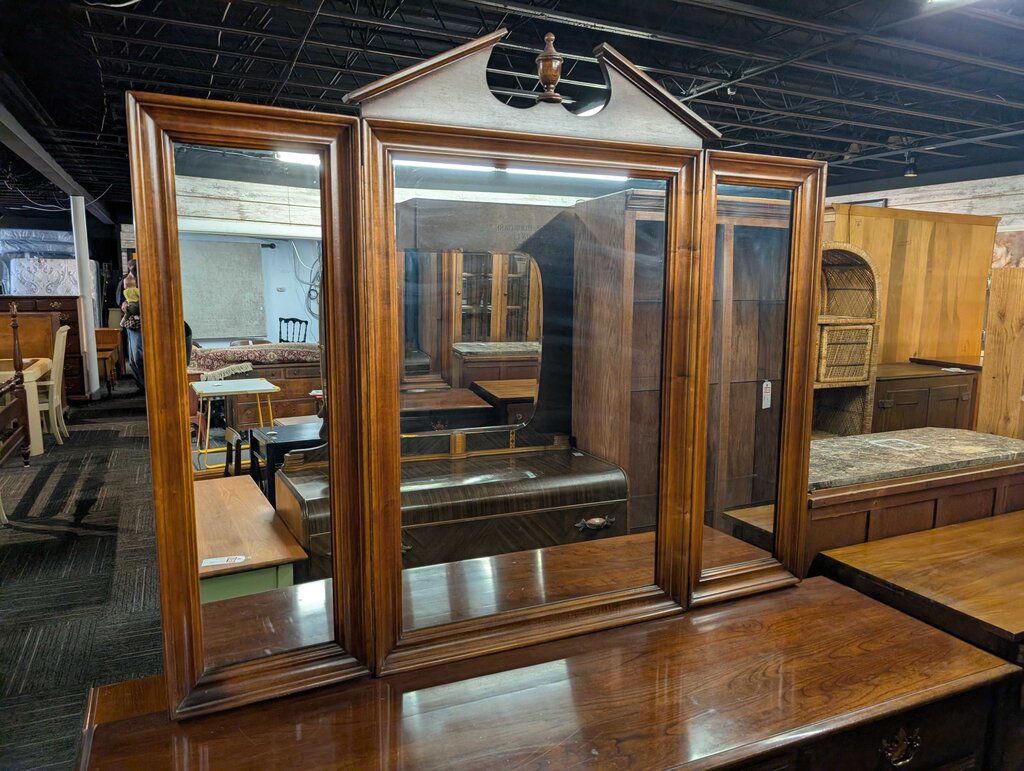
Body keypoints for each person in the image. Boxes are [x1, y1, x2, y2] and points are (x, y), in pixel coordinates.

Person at [117, 263, 144, 393]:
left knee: (136, 356)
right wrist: (125, 304)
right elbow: (120, 300)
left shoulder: (143, 281)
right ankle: (141, 384)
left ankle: (143, 385)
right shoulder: (126, 281)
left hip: (136, 322)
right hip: (132, 323)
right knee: (134, 357)